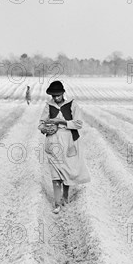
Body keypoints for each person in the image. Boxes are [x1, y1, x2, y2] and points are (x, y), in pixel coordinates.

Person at [39, 80, 90, 214]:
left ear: (63, 93)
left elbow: (78, 124)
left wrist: (60, 121)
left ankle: (65, 197)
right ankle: (57, 204)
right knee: (56, 176)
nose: (55, 98)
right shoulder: (48, 106)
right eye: (53, 96)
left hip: (69, 142)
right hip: (53, 143)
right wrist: (45, 129)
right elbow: (41, 124)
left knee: (67, 172)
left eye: (58, 95)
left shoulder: (72, 105)